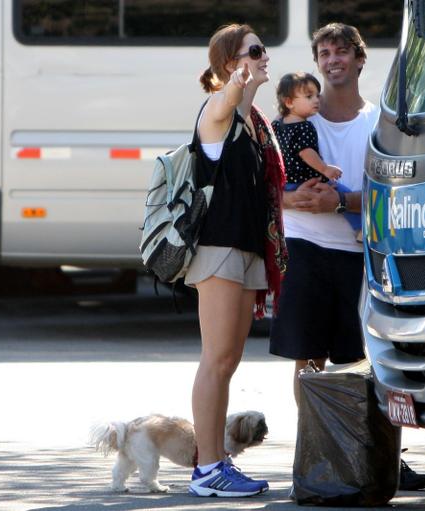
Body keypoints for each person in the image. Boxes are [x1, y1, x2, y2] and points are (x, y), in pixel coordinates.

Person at [268, 22, 425, 492]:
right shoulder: (296, 121)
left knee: (375, 364)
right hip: (303, 250)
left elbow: (395, 194)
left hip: (362, 257)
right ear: (316, 62)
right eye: (324, 52)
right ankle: (316, 456)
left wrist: (340, 203)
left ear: (360, 60)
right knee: (307, 359)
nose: (332, 59)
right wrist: (290, 200)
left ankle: (385, 459)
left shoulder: (379, 123)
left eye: (342, 51)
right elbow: (268, 187)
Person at [186, 23, 287, 498]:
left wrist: (245, 90)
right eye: (256, 51)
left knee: (228, 361)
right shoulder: (217, 109)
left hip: (246, 249)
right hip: (219, 248)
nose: (266, 55)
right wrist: (235, 83)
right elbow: (225, 100)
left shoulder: (249, 119)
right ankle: (207, 470)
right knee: (217, 359)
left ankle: (216, 460)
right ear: (232, 62)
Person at [271, 72, 361, 237]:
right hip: (306, 179)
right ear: (289, 102)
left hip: (286, 182)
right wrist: (325, 169)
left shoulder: (277, 125)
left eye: (317, 95)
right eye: (309, 96)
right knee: (341, 192)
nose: (316, 100)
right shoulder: (305, 127)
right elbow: (306, 152)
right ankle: (360, 229)